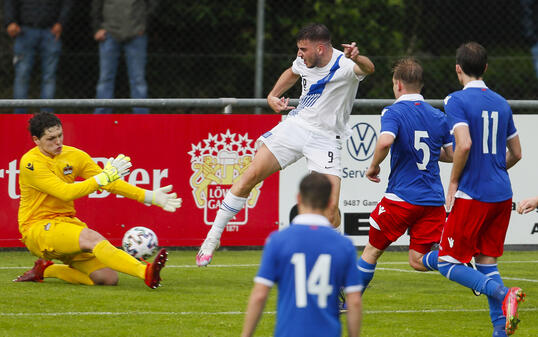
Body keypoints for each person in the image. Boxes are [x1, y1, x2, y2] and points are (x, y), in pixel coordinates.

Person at [196, 23, 375, 267]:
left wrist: (358, 56)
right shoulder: (304, 61)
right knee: (250, 175)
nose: (300, 54)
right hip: (296, 127)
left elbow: (368, 68)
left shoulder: (345, 65)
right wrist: (272, 95)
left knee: (331, 208)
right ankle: (212, 238)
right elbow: (292, 72)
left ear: (320, 48)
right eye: (298, 49)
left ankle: (336, 272)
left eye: (304, 49)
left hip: (326, 139)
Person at [13, 112, 182, 288]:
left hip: (67, 224)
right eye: (51, 138)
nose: (58, 142)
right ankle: (146, 273)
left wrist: (148, 196)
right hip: (37, 228)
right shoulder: (30, 163)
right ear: (36, 140)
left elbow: (109, 182)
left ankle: (46, 270)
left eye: (60, 135)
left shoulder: (74, 156)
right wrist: (102, 179)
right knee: (92, 238)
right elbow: (65, 192)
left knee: (107, 279)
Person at [439, 42, 524, 337]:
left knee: (447, 263)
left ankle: (504, 295)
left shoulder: (455, 100)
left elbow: (463, 143)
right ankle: (500, 332)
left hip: (473, 194)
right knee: (486, 262)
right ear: (486, 68)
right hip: (502, 193)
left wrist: (452, 183)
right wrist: (495, 169)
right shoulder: (502, 102)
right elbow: (516, 152)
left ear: (458, 69)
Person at [357, 58, 453, 294]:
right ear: (420, 85)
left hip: (402, 197)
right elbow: (452, 155)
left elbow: (386, 140)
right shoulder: (438, 116)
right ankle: (458, 257)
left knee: (372, 250)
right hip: (432, 200)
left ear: (398, 84)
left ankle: (347, 300)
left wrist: (373, 166)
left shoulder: (394, 111)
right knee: (417, 261)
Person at [241, 173, 362, 337]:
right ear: (331, 202)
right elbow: (354, 301)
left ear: (298, 198)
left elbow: (259, 295)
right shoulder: (344, 245)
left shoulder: (278, 240)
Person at [4, 0, 73, 114]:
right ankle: (18, 118)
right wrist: (10, 21)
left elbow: (67, 3)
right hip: (24, 31)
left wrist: (61, 22)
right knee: (22, 76)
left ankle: (47, 118)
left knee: (49, 77)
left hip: (51, 31)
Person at [91, 0, 157, 114]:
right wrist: (97, 27)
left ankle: (142, 119)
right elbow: (96, 5)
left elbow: (153, 4)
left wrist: (144, 25)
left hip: (136, 33)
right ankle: (101, 119)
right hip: (109, 34)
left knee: (138, 79)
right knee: (105, 78)